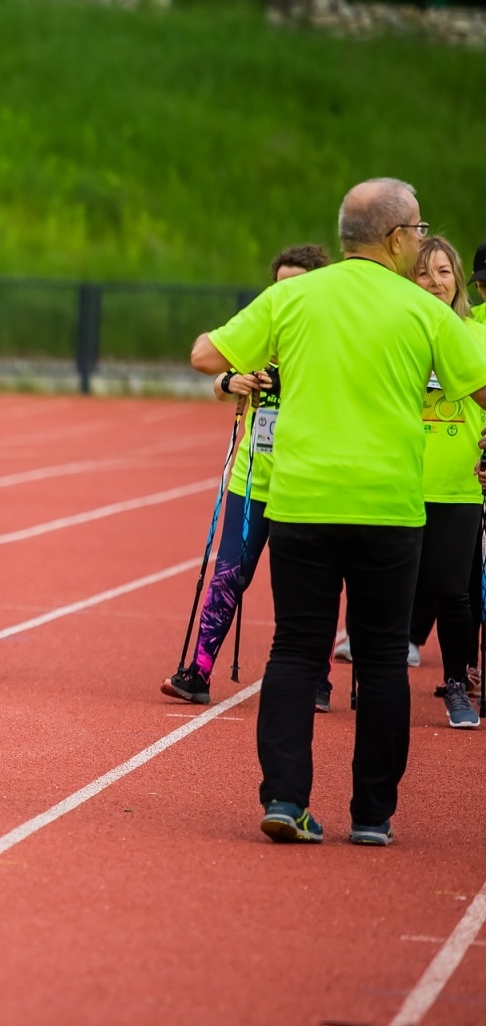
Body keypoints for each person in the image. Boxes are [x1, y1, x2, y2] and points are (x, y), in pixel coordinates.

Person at [190, 178, 486, 847]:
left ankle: (287, 799)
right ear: (396, 237)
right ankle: (372, 816)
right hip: (387, 508)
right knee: (383, 657)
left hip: (302, 501)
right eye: (418, 231)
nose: (420, 242)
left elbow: (207, 354)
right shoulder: (425, 312)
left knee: (295, 649)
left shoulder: (293, 296)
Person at [162, 244, 332, 707]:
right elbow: (217, 372)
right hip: (252, 478)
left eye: (294, 286)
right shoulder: (261, 332)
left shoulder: (328, 339)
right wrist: (231, 382)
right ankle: (197, 671)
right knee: (229, 573)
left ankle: (318, 675)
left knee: (303, 585)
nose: (283, 295)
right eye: (277, 287)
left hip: (307, 484)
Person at [404, 236, 486, 729]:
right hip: (400, 480)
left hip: (456, 485)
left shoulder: (473, 334)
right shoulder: (398, 333)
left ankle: (456, 684)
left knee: (454, 592)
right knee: (391, 589)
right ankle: (380, 675)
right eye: (422, 273)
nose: (433, 282)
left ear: (459, 279)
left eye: (442, 272)